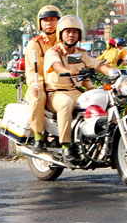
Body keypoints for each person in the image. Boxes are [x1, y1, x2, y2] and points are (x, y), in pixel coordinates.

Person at [43, 15, 112, 163]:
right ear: (61, 34)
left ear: (79, 34)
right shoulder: (53, 52)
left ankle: (101, 140)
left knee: (103, 99)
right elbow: (56, 66)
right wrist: (67, 71)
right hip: (56, 93)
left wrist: (115, 72)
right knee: (66, 103)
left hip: (77, 92)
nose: (71, 35)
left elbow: (97, 64)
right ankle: (66, 146)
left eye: (74, 32)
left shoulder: (80, 54)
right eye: (67, 32)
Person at [24, 5, 61, 152]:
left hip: (62, 84)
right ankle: (38, 137)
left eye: (53, 19)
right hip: (42, 84)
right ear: (40, 23)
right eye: (45, 20)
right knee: (38, 97)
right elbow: (32, 70)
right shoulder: (35, 43)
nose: (49, 23)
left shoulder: (64, 41)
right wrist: (36, 85)